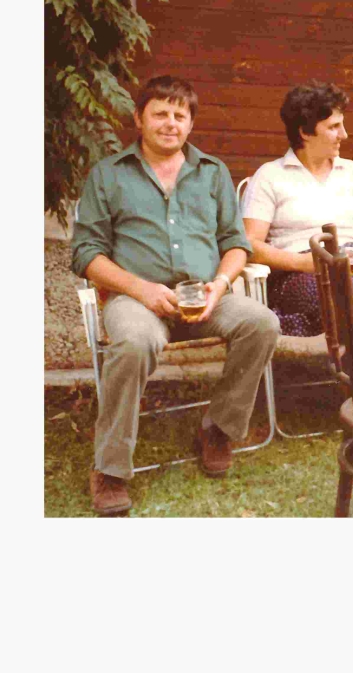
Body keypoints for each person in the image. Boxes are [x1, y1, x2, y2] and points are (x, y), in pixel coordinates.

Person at [70, 74, 281, 516]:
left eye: (179, 115)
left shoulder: (212, 171)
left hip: (205, 295)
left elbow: (235, 242)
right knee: (132, 342)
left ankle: (217, 429)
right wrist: (141, 289)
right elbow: (86, 253)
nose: (170, 123)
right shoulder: (108, 174)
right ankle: (110, 468)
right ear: (139, 119)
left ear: (190, 124)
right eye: (160, 113)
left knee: (262, 322)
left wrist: (220, 285)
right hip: (135, 297)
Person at [242, 82, 353, 385]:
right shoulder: (271, 176)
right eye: (334, 126)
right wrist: (307, 263)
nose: (344, 135)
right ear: (306, 132)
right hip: (300, 271)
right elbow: (250, 245)